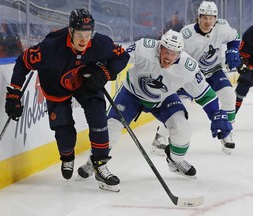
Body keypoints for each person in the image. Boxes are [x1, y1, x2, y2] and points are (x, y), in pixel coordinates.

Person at [77, 29, 232, 179]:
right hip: (131, 93)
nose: (169, 57)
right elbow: (121, 58)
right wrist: (103, 69)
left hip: (163, 99)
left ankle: (175, 160)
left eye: (174, 53)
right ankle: (94, 162)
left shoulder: (188, 67)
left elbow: (205, 94)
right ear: (160, 47)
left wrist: (216, 114)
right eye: (166, 51)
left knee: (182, 128)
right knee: (111, 128)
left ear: (180, 53)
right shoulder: (144, 47)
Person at [4, 8, 130, 192]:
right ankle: (67, 156)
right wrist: (14, 93)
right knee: (65, 135)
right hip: (56, 85)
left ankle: (100, 165)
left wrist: (105, 73)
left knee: (98, 117)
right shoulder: (50, 48)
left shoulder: (100, 43)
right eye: (79, 34)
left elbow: (122, 56)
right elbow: (23, 61)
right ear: (70, 31)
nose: (84, 40)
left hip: (86, 82)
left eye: (88, 34)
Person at [151, 1, 240, 155]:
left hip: (214, 71)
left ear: (216, 18)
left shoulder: (222, 27)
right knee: (179, 107)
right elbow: (174, 55)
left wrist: (232, 50)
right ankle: (160, 137)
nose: (208, 21)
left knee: (229, 95)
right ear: (198, 17)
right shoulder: (187, 34)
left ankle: (227, 132)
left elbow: (235, 37)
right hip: (191, 76)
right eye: (204, 17)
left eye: (211, 17)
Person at [235, 25, 253, 113]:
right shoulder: (250, 33)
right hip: (251, 68)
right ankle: (231, 116)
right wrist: (242, 62)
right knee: (241, 90)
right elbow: (243, 53)